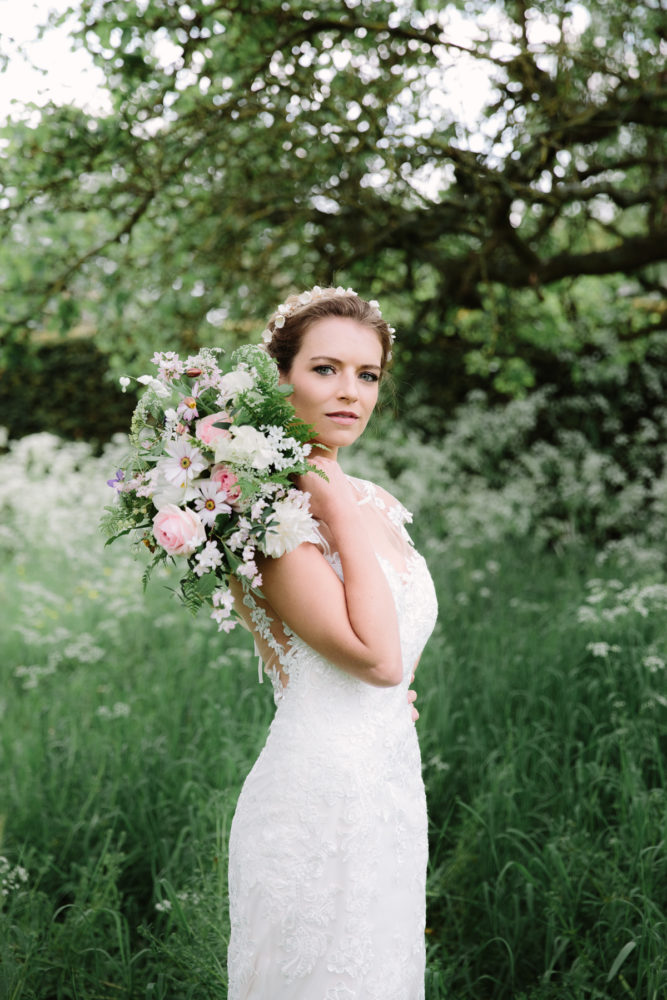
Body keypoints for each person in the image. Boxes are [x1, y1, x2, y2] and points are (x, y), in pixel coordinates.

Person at [227, 286, 438, 999]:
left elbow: (388, 657)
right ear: (279, 377)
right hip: (316, 802)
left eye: (367, 374)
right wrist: (331, 501)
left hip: (388, 790)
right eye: (325, 369)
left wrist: (391, 702)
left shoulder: (372, 500)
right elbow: (377, 658)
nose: (350, 392)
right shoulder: (273, 518)